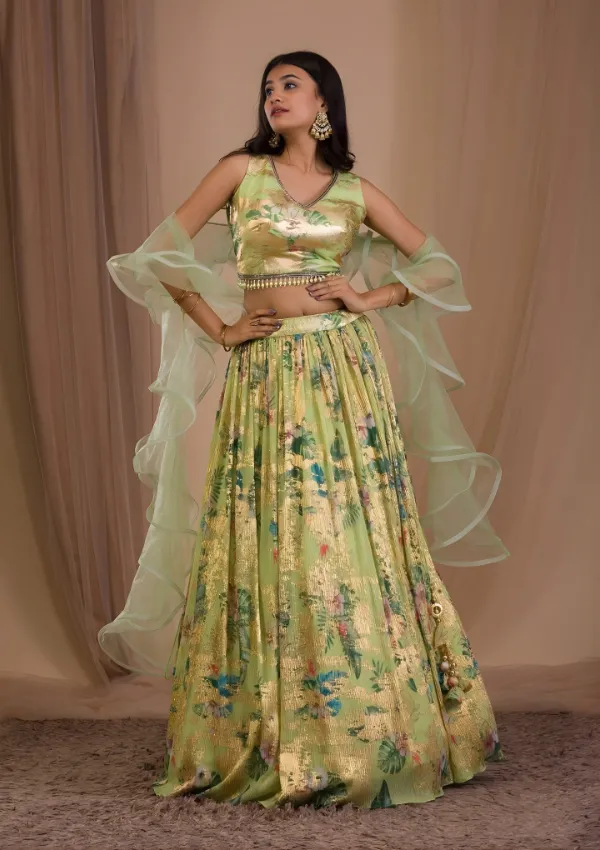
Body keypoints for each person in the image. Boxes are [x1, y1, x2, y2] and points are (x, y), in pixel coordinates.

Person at [98, 50, 508, 809]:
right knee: (271, 530)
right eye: (267, 87)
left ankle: (367, 728)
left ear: (324, 103)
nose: (274, 95)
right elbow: (157, 256)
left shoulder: (354, 190)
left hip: (344, 372)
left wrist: (371, 298)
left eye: (290, 84)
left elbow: (438, 266)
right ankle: (263, 729)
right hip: (264, 373)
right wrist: (220, 328)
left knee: (350, 530)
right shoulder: (240, 173)